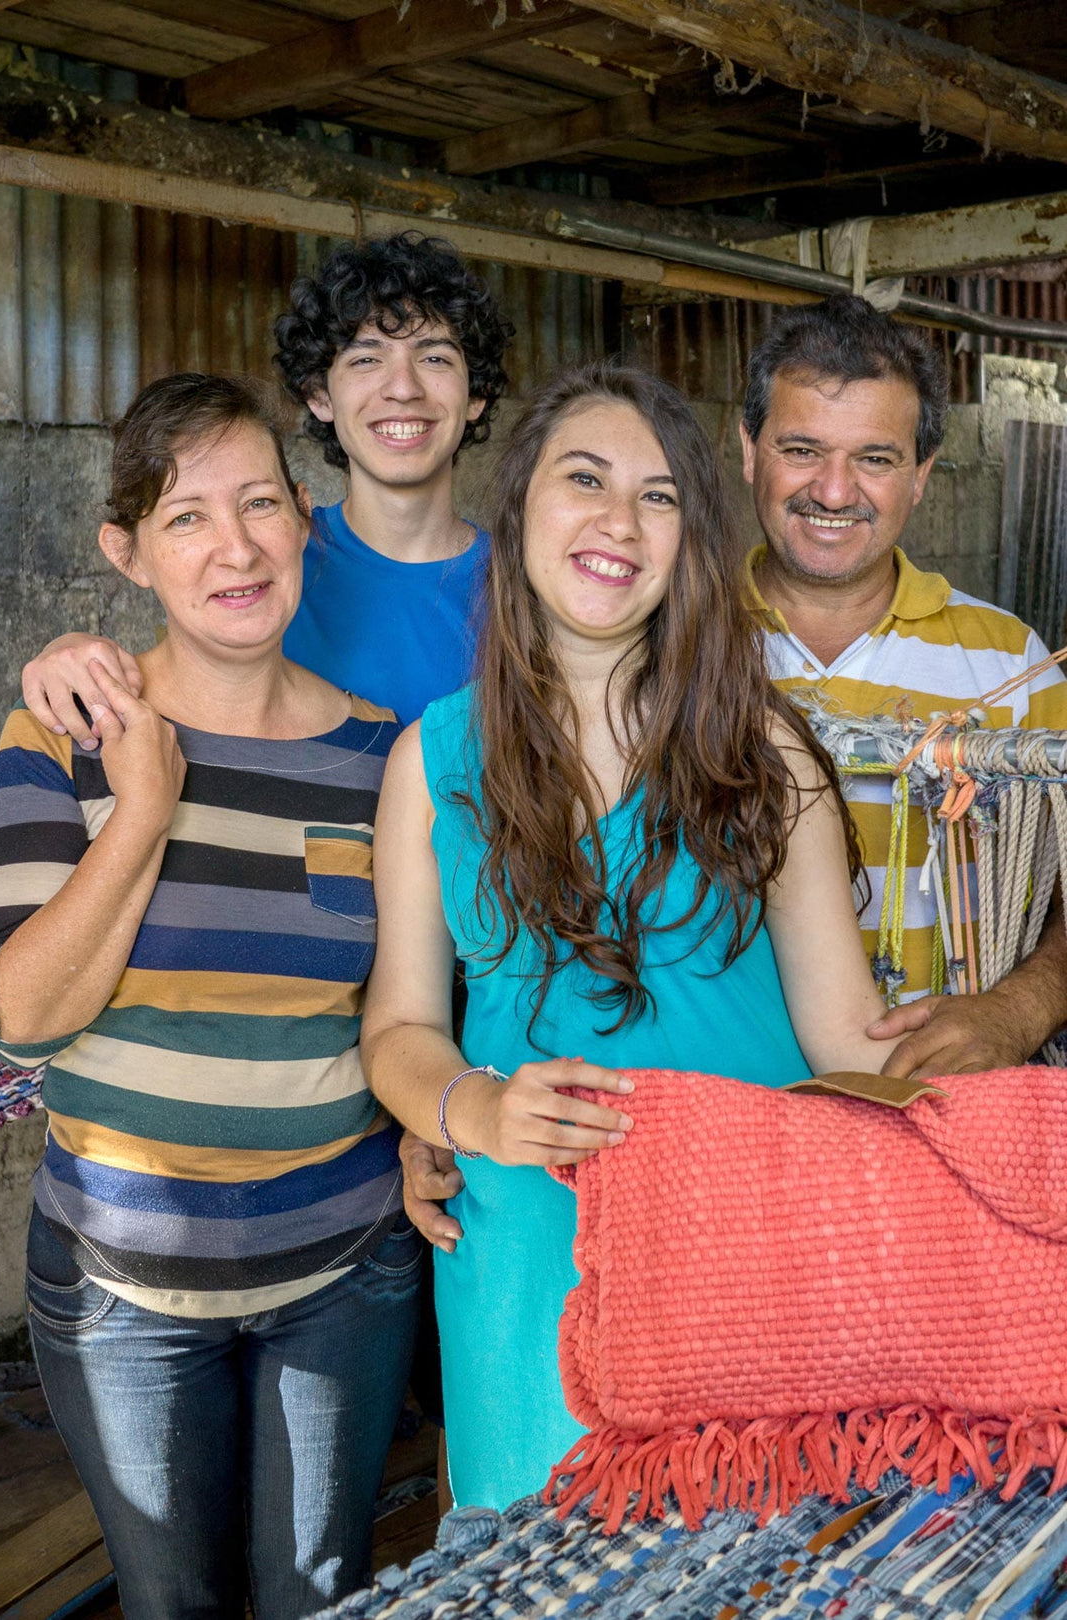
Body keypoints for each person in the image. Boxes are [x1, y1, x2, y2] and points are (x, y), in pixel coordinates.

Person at [360, 361, 904, 1512]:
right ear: (519, 515)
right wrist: (476, 1111)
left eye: (659, 497)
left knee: (740, 1569)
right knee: (537, 1568)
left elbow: (852, 1042)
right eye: (586, 479)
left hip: (749, 1261)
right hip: (528, 1267)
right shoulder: (430, 762)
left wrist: (984, 1115)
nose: (619, 521)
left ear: (691, 544)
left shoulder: (768, 758)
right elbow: (402, 1026)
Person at [0, 375, 419, 1618]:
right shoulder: (59, 733)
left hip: (344, 1271)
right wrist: (146, 810)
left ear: (304, 524)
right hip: (121, 1294)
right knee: (171, 1604)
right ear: (126, 551)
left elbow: (408, 1004)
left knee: (318, 1594)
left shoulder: (383, 756)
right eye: (185, 518)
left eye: (262, 505)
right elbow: (22, 1015)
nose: (235, 548)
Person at [739, 293, 1067, 1077]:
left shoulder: (1007, 663)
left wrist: (1020, 1010)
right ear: (748, 450)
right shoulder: (677, 648)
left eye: (875, 459)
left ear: (920, 476)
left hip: (945, 1097)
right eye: (802, 449)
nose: (833, 490)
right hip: (725, 1094)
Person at [19, 230, 513, 733]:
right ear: (318, 394)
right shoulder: (263, 564)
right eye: (366, 358)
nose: (403, 388)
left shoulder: (526, 586)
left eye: (434, 358)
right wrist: (68, 651)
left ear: (477, 394)